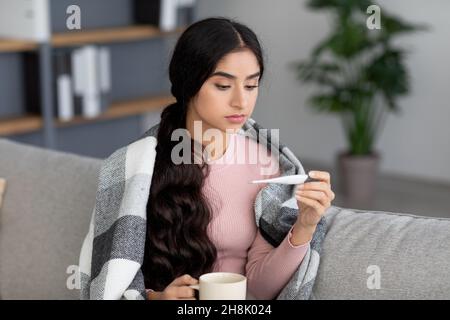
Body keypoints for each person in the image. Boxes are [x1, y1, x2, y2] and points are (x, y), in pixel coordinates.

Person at [137, 17, 336, 300]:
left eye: (251, 86)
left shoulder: (266, 164)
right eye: (223, 86)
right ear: (188, 83)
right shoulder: (141, 164)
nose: (241, 102)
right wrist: (156, 298)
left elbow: (258, 290)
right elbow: (114, 275)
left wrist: (304, 224)